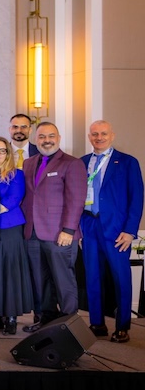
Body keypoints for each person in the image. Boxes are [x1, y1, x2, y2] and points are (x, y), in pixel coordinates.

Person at [79, 120, 142, 343]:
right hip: (89, 226)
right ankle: (97, 323)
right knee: (92, 277)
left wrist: (130, 231)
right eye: (95, 134)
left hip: (117, 231)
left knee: (121, 278)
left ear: (112, 135)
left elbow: (137, 198)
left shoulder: (127, 162)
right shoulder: (82, 162)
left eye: (103, 133)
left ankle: (122, 326)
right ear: (89, 137)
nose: (99, 137)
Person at [21, 122, 87, 332]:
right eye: (42, 137)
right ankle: (45, 320)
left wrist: (68, 230)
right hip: (32, 233)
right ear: (36, 139)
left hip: (60, 233)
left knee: (63, 280)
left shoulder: (72, 163)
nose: (46, 140)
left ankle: (69, 325)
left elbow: (76, 199)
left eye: (51, 136)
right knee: (40, 281)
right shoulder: (28, 163)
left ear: (58, 138)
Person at [0, 137, 33, 335]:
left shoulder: (16, 175)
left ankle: (11, 317)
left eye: (2, 150)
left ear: (7, 154)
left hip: (9, 229)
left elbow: (12, 200)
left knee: (10, 274)